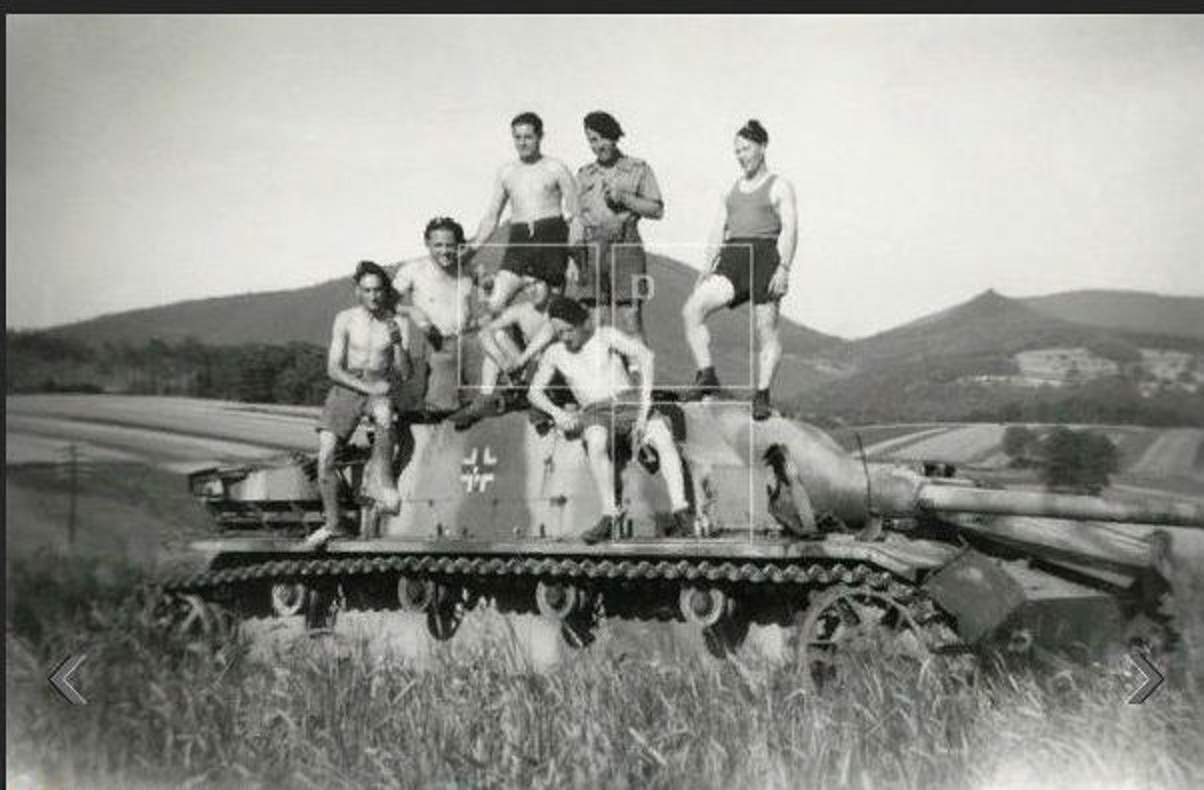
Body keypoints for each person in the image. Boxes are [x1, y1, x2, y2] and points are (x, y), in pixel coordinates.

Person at [527, 296, 694, 544]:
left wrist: (645, 404)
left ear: (581, 324)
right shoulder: (555, 353)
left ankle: (681, 509)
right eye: (559, 332)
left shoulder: (604, 336)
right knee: (596, 442)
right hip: (596, 410)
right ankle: (610, 513)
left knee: (663, 438)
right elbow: (534, 392)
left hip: (629, 402)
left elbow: (645, 356)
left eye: (569, 330)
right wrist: (557, 413)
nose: (565, 337)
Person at [681, 119, 798, 421]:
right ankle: (707, 375)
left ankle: (762, 394)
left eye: (746, 149)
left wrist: (784, 268)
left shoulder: (779, 186)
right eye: (737, 151)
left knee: (766, 329)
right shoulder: (730, 189)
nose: (741, 156)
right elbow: (717, 230)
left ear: (762, 147)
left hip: (765, 256)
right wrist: (706, 268)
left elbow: (790, 229)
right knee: (692, 309)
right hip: (733, 257)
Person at [304, 261, 410, 549]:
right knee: (325, 455)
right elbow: (333, 370)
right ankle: (333, 525)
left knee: (385, 413)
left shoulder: (397, 322)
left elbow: (404, 373)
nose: (373, 296)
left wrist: (397, 343)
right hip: (347, 386)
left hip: (378, 385)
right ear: (358, 292)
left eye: (378, 290)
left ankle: (382, 483)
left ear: (385, 291)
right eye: (367, 290)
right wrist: (368, 387)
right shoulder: (345, 319)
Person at [469, 112, 580, 314]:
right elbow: (491, 217)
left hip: (550, 241)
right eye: (517, 137)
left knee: (550, 313)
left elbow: (576, 215)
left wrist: (574, 256)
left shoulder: (556, 167)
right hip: (519, 242)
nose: (522, 143)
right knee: (495, 304)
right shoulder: (507, 172)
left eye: (528, 137)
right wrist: (473, 248)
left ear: (540, 136)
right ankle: (515, 335)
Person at [575, 111, 664, 339]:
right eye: (592, 140)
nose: (598, 145)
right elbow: (577, 217)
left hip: (626, 244)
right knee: (597, 322)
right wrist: (574, 258)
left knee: (631, 317)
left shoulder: (638, 168)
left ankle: (641, 364)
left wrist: (625, 198)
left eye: (603, 138)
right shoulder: (584, 174)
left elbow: (656, 210)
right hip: (591, 248)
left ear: (614, 137)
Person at [392, 216, 485, 413]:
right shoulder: (413, 270)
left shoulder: (468, 269)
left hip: (469, 342)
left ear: (458, 245)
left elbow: (492, 294)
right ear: (427, 243)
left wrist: (487, 287)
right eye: (438, 245)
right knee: (441, 408)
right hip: (438, 346)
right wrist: (411, 310)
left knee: (483, 402)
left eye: (450, 245)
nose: (444, 251)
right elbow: (385, 305)